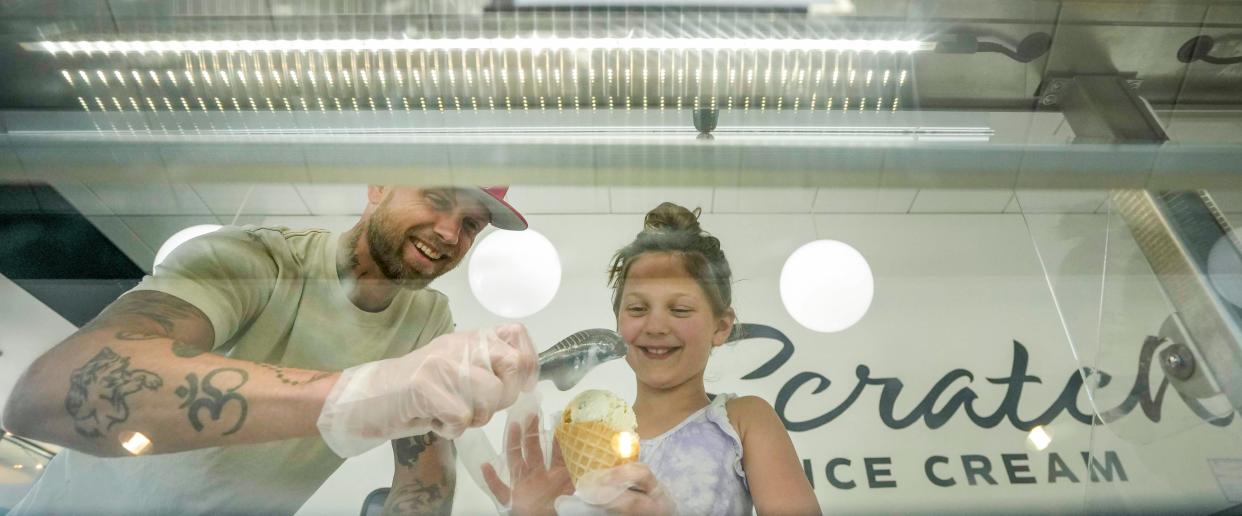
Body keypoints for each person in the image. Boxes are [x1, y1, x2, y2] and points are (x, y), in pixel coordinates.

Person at [1, 185, 539, 515]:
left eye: (472, 223)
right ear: (379, 184)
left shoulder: (429, 321)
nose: (449, 232)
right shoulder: (255, 260)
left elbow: (424, 481)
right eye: (438, 199)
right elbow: (51, 395)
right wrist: (359, 396)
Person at [483, 202, 820, 515]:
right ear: (618, 324)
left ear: (721, 327)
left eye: (680, 309)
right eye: (638, 309)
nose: (656, 325)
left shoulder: (744, 422)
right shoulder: (567, 440)